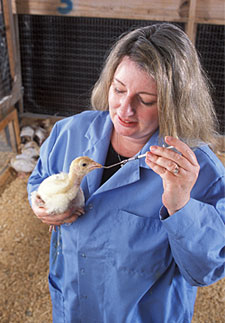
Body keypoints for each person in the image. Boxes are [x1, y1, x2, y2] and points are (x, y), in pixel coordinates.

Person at [27, 23, 225, 323]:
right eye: (119, 89)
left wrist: (181, 204)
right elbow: (39, 179)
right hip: (72, 307)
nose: (124, 110)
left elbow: (204, 271)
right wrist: (38, 203)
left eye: (146, 100)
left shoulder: (198, 170)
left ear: (175, 105)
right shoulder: (70, 133)